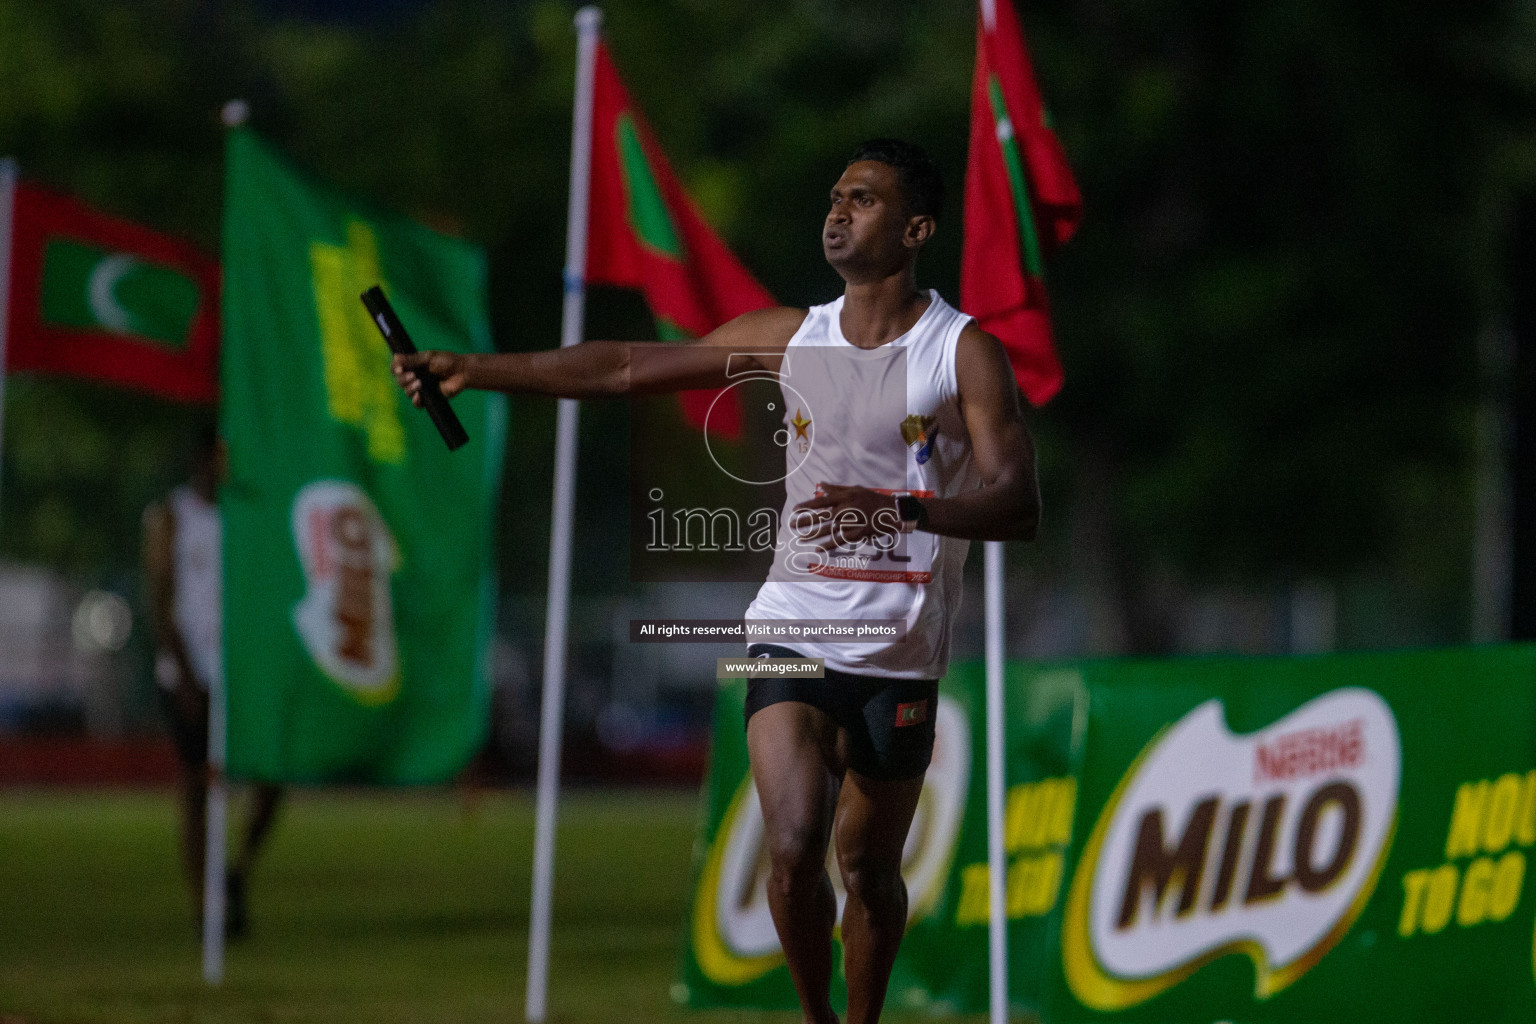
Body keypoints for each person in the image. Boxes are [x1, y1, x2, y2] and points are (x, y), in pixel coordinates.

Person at [395, 139, 1039, 1024]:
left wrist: (901, 511)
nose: (838, 211)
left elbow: (1018, 504)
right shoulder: (791, 336)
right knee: (792, 846)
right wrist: (478, 370)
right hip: (791, 626)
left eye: (864, 198)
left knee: (867, 869)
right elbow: (627, 366)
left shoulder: (961, 352)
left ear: (917, 228)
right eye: (834, 196)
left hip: (899, 653)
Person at [143, 425, 284, 939]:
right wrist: (183, 674)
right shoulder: (171, 517)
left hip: (241, 674)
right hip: (187, 674)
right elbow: (161, 599)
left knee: (271, 775)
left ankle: (236, 873)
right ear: (201, 458)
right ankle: (203, 903)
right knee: (195, 787)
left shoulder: (246, 512)